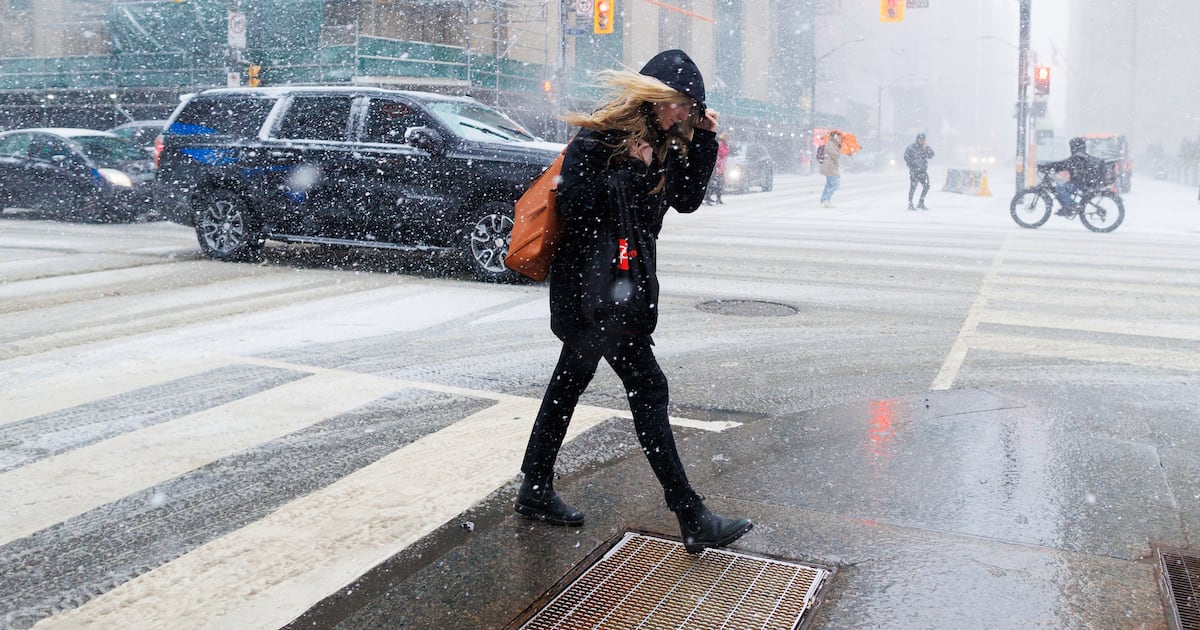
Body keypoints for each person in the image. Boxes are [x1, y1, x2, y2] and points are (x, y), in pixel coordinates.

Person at [515, 49, 753, 554]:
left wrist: (706, 140)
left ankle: (534, 486)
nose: (686, 115)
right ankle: (690, 515)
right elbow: (574, 204)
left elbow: (687, 200)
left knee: (569, 381)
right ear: (657, 99)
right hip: (592, 290)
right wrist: (630, 173)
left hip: (621, 285)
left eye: (692, 108)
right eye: (682, 106)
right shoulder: (600, 137)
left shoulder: (668, 143)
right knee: (648, 388)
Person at [1045, 136, 1100, 215]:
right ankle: (1067, 207)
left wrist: (1050, 166)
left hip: (1080, 183)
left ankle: (1072, 206)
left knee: (1060, 188)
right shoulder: (1082, 156)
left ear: (1075, 147)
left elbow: (1063, 164)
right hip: (1083, 182)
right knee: (1062, 185)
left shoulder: (1077, 157)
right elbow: (1065, 164)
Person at [904, 132, 934, 210]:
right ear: (917, 139)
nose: (922, 141)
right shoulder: (911, 147)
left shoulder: (925, 148)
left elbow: (931, 156)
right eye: (921, 139)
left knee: (926, 186)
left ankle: (921, 202)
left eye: (923, 140)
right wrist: (912, 165)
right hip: (914, 171)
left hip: (923, 171)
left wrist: (928, 150)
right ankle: (910, 204)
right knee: (913, 187)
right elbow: (906, 157)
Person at [705, 133, 730, 205]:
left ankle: (717, 198)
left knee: (719, 184)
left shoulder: (724, 144)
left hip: (720, 167)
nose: (728, 140)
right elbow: (722, 153)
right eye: (727, 138)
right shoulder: (721, 144)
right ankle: (708, 197)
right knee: (714, 183)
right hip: (717, 167)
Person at [819, 130, 842, 207]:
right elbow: (835, 155)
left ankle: (825, 199)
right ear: (834, 137)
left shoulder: (833, 144)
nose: (839, 138)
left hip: (831, 166)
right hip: (830, 166)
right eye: (838, 136)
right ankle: (826, 199)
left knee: (830, 184)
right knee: (834, 184)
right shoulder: (830, 144)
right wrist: (839, 149)